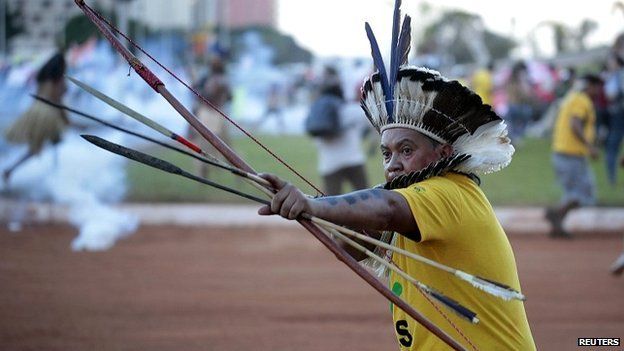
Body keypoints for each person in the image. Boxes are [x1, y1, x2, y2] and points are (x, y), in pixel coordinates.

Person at [257, 5, 535, 348]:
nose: (392, 164)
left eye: (406, 150)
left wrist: (314, 206)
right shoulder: (405, 204)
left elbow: (386, 207)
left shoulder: (449, 192)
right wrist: (310, 208)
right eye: (386, 153)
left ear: (443, 154)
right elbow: (349, 247)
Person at [545, 74, 603, 238]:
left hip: (565, 152)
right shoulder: (582, 100)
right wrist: (589, 146)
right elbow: (575, 124)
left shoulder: (572, 96)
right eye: (597, 86)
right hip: (571, 154)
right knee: (581, 194)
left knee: (579, 193)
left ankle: (557, 223)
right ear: (590, 86)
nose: (599, 91)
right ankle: (555, 214)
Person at [3, 52, 69, 185]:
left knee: (34, 148)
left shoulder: (42, 76)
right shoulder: (58, 80)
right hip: (47, 114)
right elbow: (57, 99)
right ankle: (54, 174)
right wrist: (65, 118)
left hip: (35, 111)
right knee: (45, 146)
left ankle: (11, 170)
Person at [311, 82, 368, 195]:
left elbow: (315, 139)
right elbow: (367, 120)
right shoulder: (349, 109)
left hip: (329, 163)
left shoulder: (317, 113)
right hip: (353, 158)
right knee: (365, 196)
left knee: (330, 203)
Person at [189, 57, 232, 178]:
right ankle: (203, 173)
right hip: (208, 112)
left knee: (224, 146)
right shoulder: (207, 78)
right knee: (205, 145)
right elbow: (196, 90)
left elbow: (229, 97)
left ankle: (237, 172)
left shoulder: (221, 80)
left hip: (216, 113)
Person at [603, 35, 624, 186]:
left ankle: (612, 179)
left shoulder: (618, 75)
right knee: (612, 146)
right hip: (616, 114)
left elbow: (611, 94)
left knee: (612, 145)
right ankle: (612, 179)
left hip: (618, 113)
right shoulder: (613, 76)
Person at [505, 61, 534, 143]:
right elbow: (525, 96)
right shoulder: (519, 81)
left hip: (512, 106)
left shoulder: (511, 80)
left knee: (513, 123)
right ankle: (516, 136)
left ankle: (514, 137)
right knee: (526, 113)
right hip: (517, 107)